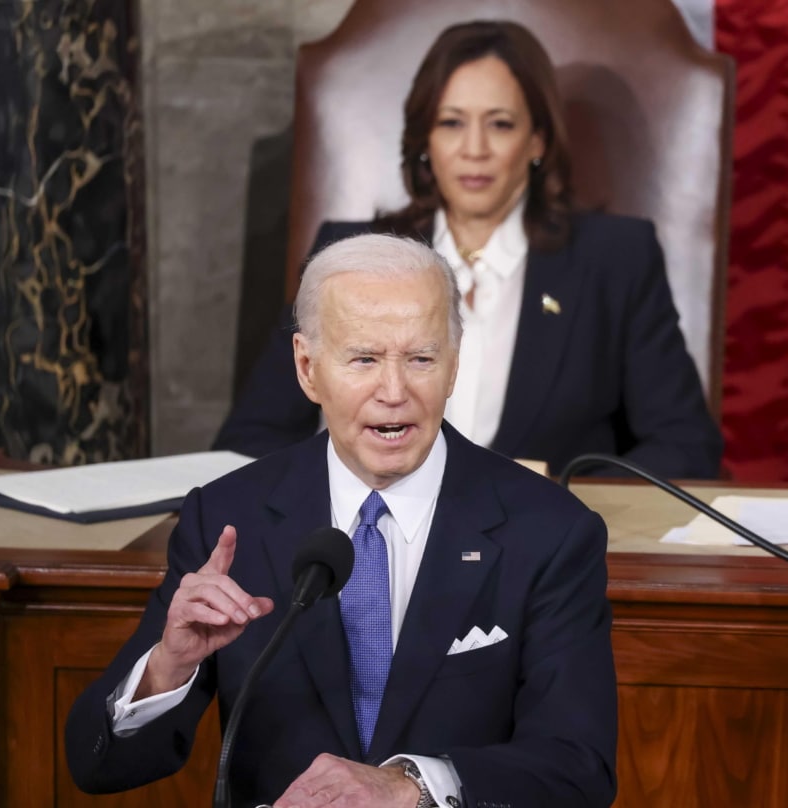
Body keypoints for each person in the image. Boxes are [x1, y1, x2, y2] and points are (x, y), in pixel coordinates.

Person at [65, 234, 617, 807]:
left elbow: (578, 768)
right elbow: (98, 766)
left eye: (421, 359)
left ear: (453, 367)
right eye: (365, 359)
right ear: (308, 368)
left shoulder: (549, 531)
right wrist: (167, 667)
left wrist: (413, 786)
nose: (395, 392)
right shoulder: (229, 520)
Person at [215, 20, 722, 480]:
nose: (474, 148)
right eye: (452, 123)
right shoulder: (348, 254)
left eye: (500, 124)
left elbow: (685, 448)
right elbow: (249, 442)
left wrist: (554, 500)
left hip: (538, 560)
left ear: (537, 141)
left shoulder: (615, 259)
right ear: (424, 141)